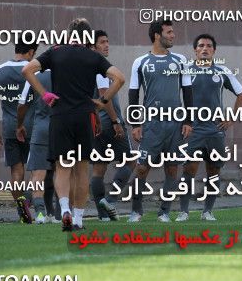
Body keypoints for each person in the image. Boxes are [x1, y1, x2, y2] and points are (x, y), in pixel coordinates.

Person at [22, 18, 126, 231]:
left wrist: (45, 95)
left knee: (62, 167)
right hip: (84, 117)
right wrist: (103, 102)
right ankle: (78, 218)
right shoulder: (93, 57)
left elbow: (28, 71)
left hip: (60, 116)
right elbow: (120, 78)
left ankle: (64, 210)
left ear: (69, 34)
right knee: (81, 170)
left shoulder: (55, 52)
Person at [127, 19, 193, 223]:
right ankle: (136, 211)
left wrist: (188, 121)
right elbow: (133, 95)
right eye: (169, 32)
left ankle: (164, 212)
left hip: (175, 125)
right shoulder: (140, 62)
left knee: (172, 168)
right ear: (157, 35)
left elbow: (188, 92)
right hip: (151, 124)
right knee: (141, 168)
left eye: (173, 32)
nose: (173, 35)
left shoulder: (181, 60)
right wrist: (136, 124)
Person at [176, 34, 242, 222]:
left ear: (214, 50)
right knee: (189, 169)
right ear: (195, 50)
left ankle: (207, 211)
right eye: (201, 46)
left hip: (215, 130)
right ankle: (184, 211)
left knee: (213, 171)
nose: (205, 48)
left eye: (208, 46)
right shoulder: (186, 71)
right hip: (193, 130)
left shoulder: (222, 71)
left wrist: (231, 117)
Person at [0, 36, 38, 224]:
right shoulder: (35, 69)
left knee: (16, 172)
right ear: (31, 52)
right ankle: (35, 205)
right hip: (33, 128)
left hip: (10, 129)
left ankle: (22, 210)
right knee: (37, 171)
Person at [89, 30, 135, 222]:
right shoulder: (99, 66)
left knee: (99, 168)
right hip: (109, 121)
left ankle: (102, 215)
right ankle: (110, 199)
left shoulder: (85, 67)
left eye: (108, 41)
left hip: (94, 124)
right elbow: (104, 97)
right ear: (93, 46)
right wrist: (116, 121)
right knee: (131, 161)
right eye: (102, 42)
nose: (107, 45)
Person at [17, 69, 60, 224]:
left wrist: (19, 125)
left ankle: (41, 213)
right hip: (62, 128)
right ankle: (58, 214)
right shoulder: (67, 73)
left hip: (41, 129)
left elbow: (22, 105)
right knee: (62, 173)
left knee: (39, 175)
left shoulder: (35, 76)